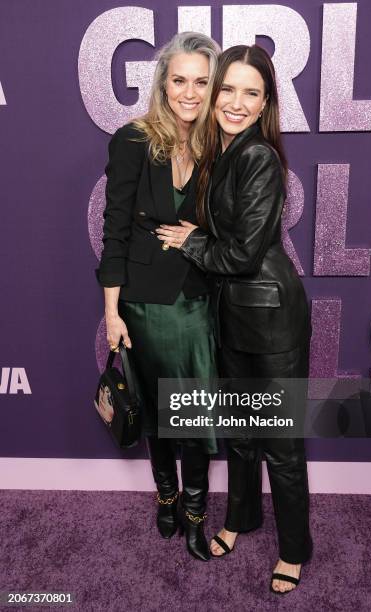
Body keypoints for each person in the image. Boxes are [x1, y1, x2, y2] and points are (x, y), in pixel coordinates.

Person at [156, 44, 313, 592]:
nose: (236, 102)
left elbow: (243, 254)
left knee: (281, 444)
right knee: (243, 435)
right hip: (234, 317)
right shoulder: (221, 152)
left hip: (272, 323)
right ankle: (242, 519)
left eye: (252, 92)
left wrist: (194, 243)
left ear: (266, 101)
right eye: (228, 89)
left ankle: (294, 551)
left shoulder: (258, 157)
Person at [96, 32, 220, 562]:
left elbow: (242, 227)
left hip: (202, 298)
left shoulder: (223, 142)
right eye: (179, 80)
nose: (189, 93)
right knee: (156, 411)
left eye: (201, 81)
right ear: (162, 82)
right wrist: (111, 313)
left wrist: (198, 237)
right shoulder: (132, 140)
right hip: (144, 303)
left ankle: (195, 511)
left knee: (189, 413)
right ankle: (166, 497)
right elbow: (115, 229)